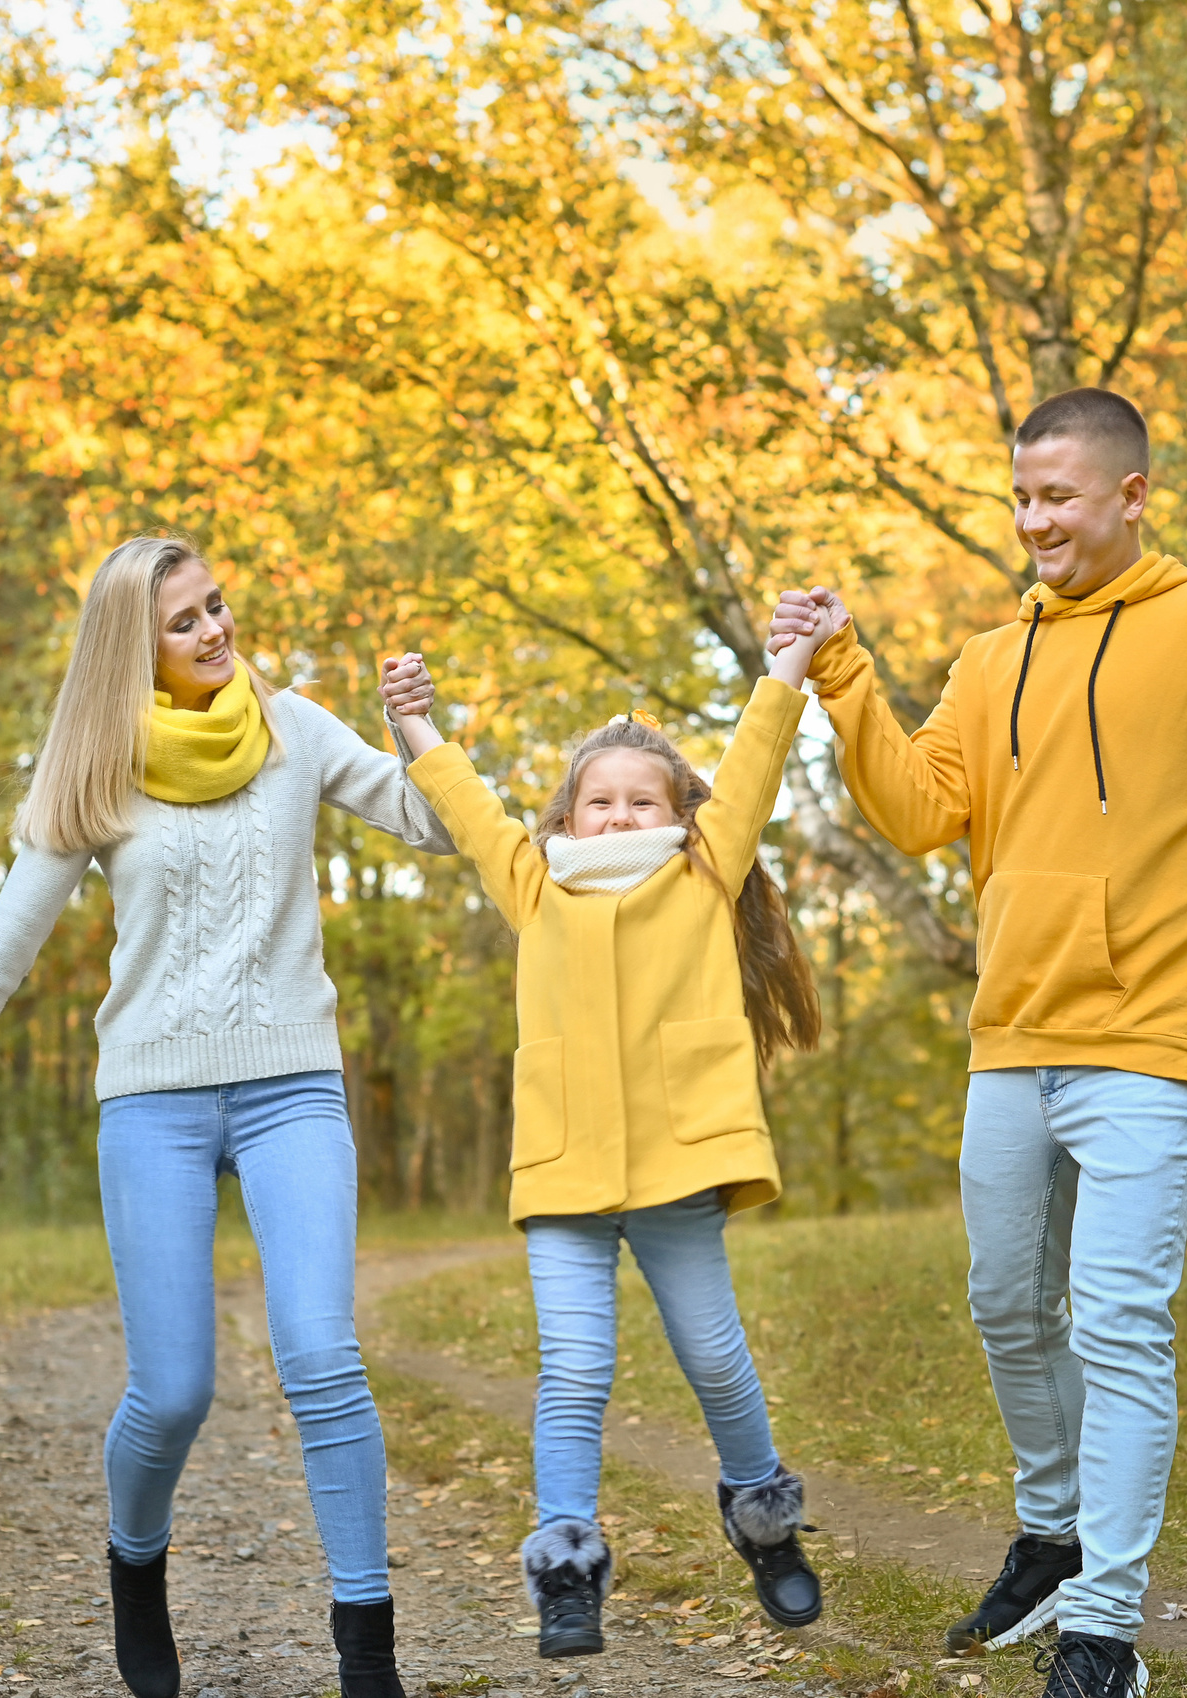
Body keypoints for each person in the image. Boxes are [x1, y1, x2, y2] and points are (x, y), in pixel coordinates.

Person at [767, 388, 1187, 1698]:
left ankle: (1105, 1626)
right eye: (1022, 497)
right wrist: (844, 670)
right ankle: (1053, 1536)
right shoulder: (997, 659)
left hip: (1155, 1041)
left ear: (1130, 493)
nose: (1033, 519)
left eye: (1057, 495)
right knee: (1007, 1304)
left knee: (1115, 1318)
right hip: (1015, 1033)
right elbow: (920, 806)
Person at [0, 535, 456, 1698]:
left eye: (217, 606)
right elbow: (4, 945)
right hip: (153, 1102)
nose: (215, 631)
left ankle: (367, 1652)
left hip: (294, 1083)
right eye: (184, 621)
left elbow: (430, 825)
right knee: (173, 1389)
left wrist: (418, 730)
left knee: (322, 1356)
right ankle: (137, 1567)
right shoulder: (95, 769)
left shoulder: (293, 726)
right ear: (135, 648)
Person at [373, 628, 838, 1658]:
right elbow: (465, 802)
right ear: (566, 815)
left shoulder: (705, 876)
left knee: (717, 1361)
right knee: (575, 1371)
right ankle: (568, 1566)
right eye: (601, 800)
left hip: (681, 1166)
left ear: (680, 815)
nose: (620, 814)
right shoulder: (535, 883)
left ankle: (762, 1518)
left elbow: (757, 761)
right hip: (567, 1172)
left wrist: (789, 664)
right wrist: (412, 718)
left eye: (643, 800)